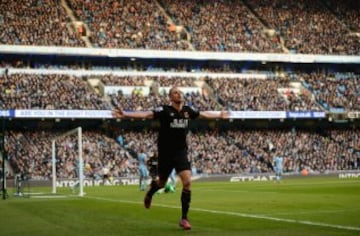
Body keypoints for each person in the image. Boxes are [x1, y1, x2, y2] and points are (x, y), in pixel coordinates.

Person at [112, 86, 228, 230]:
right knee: (161, 183)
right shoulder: (164, 110)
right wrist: (126, 115)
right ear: (170, 97)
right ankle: (150, 193)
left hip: (180, 152)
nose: (179, 94)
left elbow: (203, 114)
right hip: (166, 153)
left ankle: (184, 219)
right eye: (175, 92)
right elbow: (147, 114)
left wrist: (219, 115)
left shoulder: (187, 110)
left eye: (180, 92)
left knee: (187, 182)